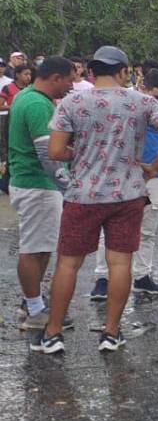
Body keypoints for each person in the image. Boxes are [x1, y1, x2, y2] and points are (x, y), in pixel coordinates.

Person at [32, 46, 158, 354]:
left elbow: (55, 151)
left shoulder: (72, 102)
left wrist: (83, 156)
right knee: (119, 262)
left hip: (83, 195)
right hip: (127, 194)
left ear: (91, 72)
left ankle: (52, 334)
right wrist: (153, 168)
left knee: (68, 264)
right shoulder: (143, 102)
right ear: (124, 71)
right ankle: (111, 333)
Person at [91, 68, 158, 298]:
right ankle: (102, 278)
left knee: (147, 230)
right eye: (155, 96)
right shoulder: (122, 104)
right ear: (142, 87)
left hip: (154, 176)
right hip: (121, 174)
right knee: (109, 230)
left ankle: (142, 276)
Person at [8, 57, 75, 331]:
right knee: (34, 248)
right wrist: (66, 185)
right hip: (37, 184)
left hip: (32, 182)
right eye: (70, 79)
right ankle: (35, 309)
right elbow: (48, 153)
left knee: (41, 245)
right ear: (56, 77)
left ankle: (32, 300)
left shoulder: (26, 97)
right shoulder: (36, 104)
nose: (72, 86)